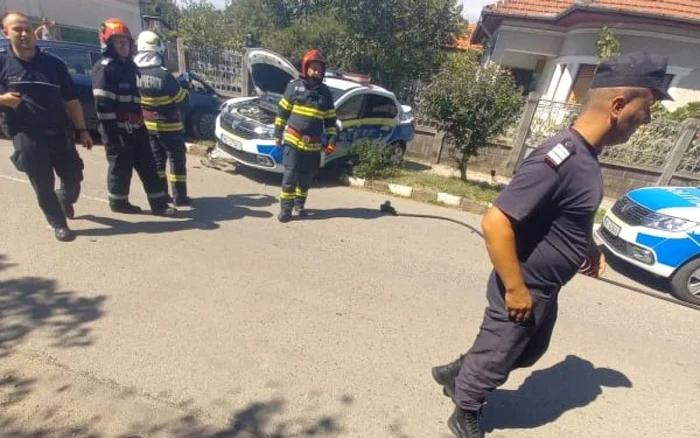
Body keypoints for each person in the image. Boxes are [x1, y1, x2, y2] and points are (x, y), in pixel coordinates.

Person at [431, 51, 672, 438]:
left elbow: (571, 214)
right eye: (647, 107)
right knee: (501, 353)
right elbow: (496, 222)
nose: (647, 119)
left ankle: (458, 371)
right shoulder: (558, 157)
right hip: (525, 285)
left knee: (528, 350)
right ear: (618, 105)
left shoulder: (586, 157)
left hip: (545, 287)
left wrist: (588, 247)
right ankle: (466, 408)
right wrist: (515, 289)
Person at [0, 11, 93, 242]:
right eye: (17, 29)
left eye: (27, 29)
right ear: (6, 33)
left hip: (59, 131)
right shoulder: (2, 62)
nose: (24, 34)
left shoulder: (54, 64)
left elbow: (71, 100)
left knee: (73, 177)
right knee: (43, 183)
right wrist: (2, 99)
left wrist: (83, 130)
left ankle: (65, 199)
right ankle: (58, 223)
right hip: (26, 134)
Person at [92, 18, 175, 216]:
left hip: (137, 127)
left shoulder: (130, 67)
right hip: (117, 130)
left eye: (126, 42)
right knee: (121, 167)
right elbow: (103, 105)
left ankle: (159, 204)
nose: (124, 46)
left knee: (149, 165)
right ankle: (118, 202)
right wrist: (113, 135)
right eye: (118, 42)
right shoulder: (105, 68)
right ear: (108, 44)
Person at [274, 49, 337, 222]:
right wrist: (278, 133)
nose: (316, 72)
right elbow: (282, 112)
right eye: (313, 68)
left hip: (313, 146)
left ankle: (299, 205)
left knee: (306, 178)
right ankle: (285, 210)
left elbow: (331, 120)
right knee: (290, 175)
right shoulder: (293, 86)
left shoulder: (325, 93)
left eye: (319, 69)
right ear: (306, 68)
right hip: (293, 140)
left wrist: (331, 141)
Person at [134, 30, 192, 206]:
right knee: (177, 162)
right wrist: (184, 85)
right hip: (170, 127)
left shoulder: (134, 73)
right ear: (158, 51)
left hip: (149, 126)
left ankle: (162, 194)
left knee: (158, 162)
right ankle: (179, 197)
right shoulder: (164, 75)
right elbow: (183, 101)